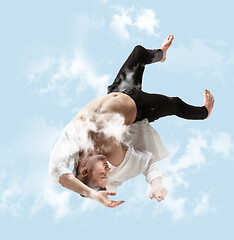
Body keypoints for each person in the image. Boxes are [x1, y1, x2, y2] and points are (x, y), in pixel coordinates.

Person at [49, 35, 214, 208]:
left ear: (84, 171)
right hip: (140, 106)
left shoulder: (70, 143)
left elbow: (56, 173)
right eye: (107, 175)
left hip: (119, 89)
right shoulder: (114, 156)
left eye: (103, 175)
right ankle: (204, 112)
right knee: (175, 104)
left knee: (139, 52)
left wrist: (90, 194)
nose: (108, 171)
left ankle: (161, 54)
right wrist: (156, 185)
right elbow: (147, 162)